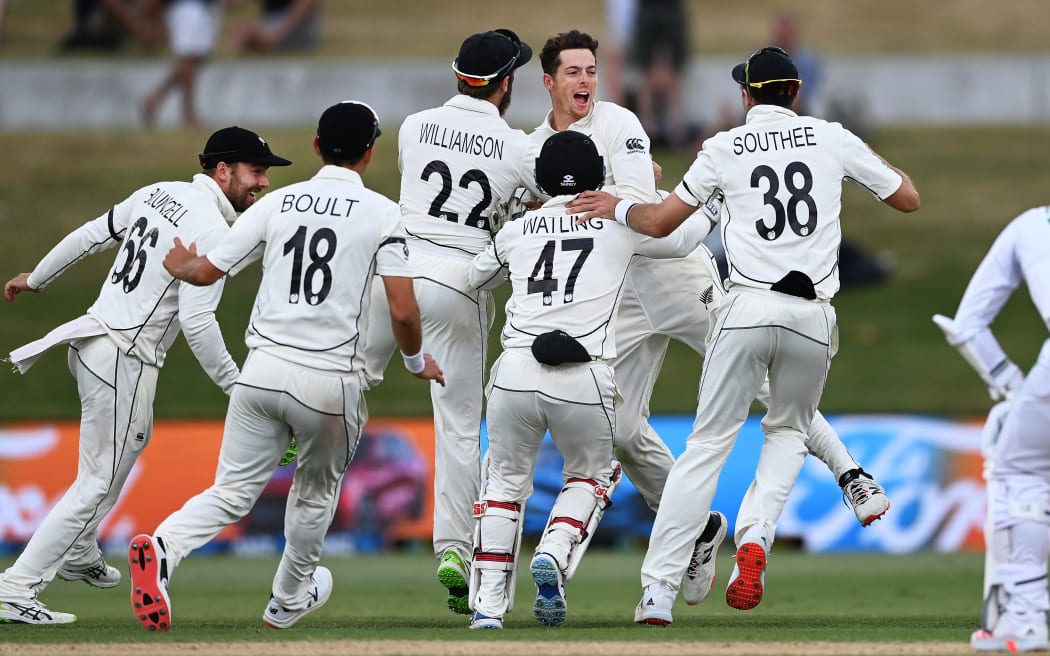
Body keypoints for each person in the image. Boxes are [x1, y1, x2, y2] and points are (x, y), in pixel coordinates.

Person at [532, 29, 893, 617]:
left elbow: (652, 212)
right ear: (548, 82)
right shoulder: (533, 148)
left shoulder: (619, 123)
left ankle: (849, 471)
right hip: (615, 294)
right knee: (620, 429)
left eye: (592, 71)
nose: (585, 83)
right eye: (572, 73)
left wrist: (616, 199)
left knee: (764, 388)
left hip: (673, 270)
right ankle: (702, 532)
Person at [129, 101, 445, 632]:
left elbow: (207, 272)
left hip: (261, 372)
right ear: (369, 153)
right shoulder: (383, 213)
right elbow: (402, 310)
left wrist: (185, 265)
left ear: (317, 147)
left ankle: (162, 547)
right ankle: (288, 598)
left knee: (230, 492)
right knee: (315, 493)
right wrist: (414, 361)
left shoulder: (279, 203)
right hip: (328, 382)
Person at [0, 125, 290, 625]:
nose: (262, 184)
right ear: (223, 171)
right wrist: (239, 389)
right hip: (124, 356)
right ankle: (15, 588)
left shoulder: (159, 191)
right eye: (256, 172)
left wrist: (38, 278)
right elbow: (198, 323)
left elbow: (91, 235)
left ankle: (78, 550)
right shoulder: (216, 232)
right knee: (97, 481)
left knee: (115, 462)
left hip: (91, 342)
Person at [467, 130, 711, 630]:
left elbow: (476, 276)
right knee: (590, 476)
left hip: (514, 369)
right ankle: (554, 553)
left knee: (504, 485)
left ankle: (489, 609)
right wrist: (707, 196)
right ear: (599, 175)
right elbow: (683, 237)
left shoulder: (519, 230)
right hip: (584, 375)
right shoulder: (619, 228)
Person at [361, 28, 534, 617]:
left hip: (397, 272)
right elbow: (536, 201)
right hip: (461, 280)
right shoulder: (514, 146)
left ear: (458, 75)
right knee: (458, 428)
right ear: (505, 84)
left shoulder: (412, 125)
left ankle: (303, 424)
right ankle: (454, 549)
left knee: (350, 375)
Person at [931, 207, 1050, 652]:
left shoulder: (1032, 222)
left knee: (1020, 470)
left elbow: (967, 326)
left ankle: (1024, 614)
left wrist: (1013, 389)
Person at [142, 0, 222, 129]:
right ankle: (188, 115)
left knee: (196, 61)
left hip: (204, 8)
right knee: (188, 61)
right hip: (187, 7)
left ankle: (155, 98)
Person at [631, 0, 689, 148]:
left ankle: (674, 129)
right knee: (647, 72)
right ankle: (648, 129)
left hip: (667, 8)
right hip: (652, 8)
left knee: (672, 71)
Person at [228, 0, 321, 54]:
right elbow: (235, 3)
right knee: (242, 34)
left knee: (248, 34)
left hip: (298, 24)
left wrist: (279, 34)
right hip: (273, 21)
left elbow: (307, 3)